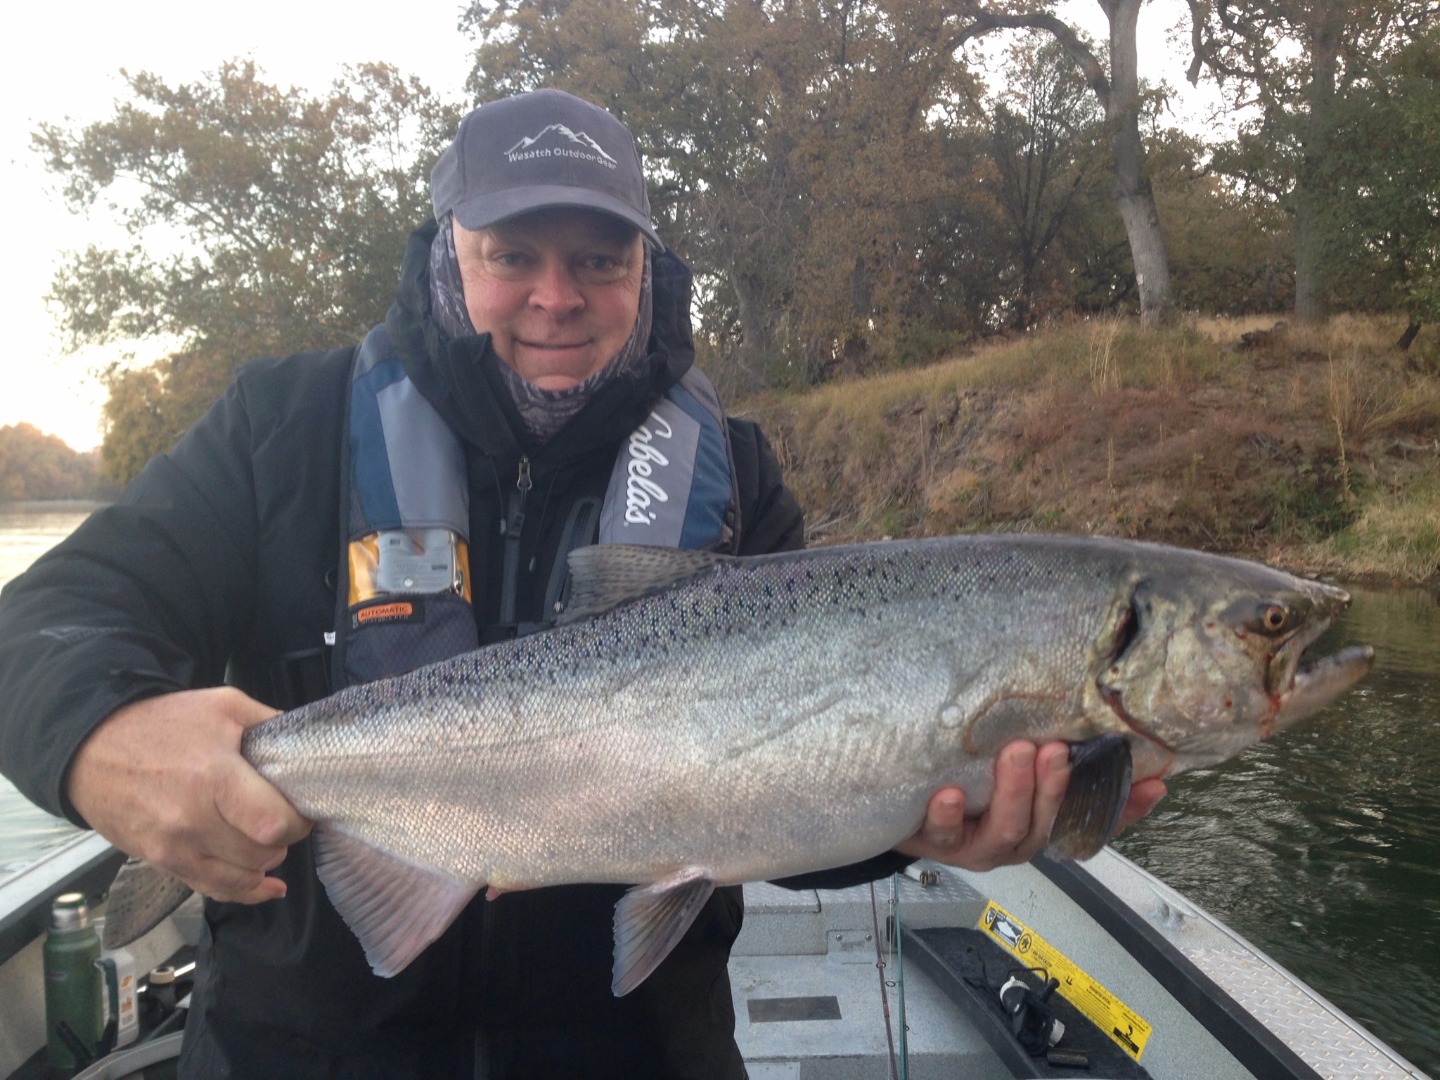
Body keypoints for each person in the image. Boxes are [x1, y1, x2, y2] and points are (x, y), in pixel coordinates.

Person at [0, 89, 1163, 1078]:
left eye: (598, 261)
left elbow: (797, 796)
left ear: (644, 266)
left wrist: (925, 824)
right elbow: (41, 626)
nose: (557, 297)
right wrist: (99, 736)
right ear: (452, 246)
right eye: (515, 256)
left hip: (638, 1052)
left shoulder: (738, 476)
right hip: (302, 1047)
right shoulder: (280, 426)